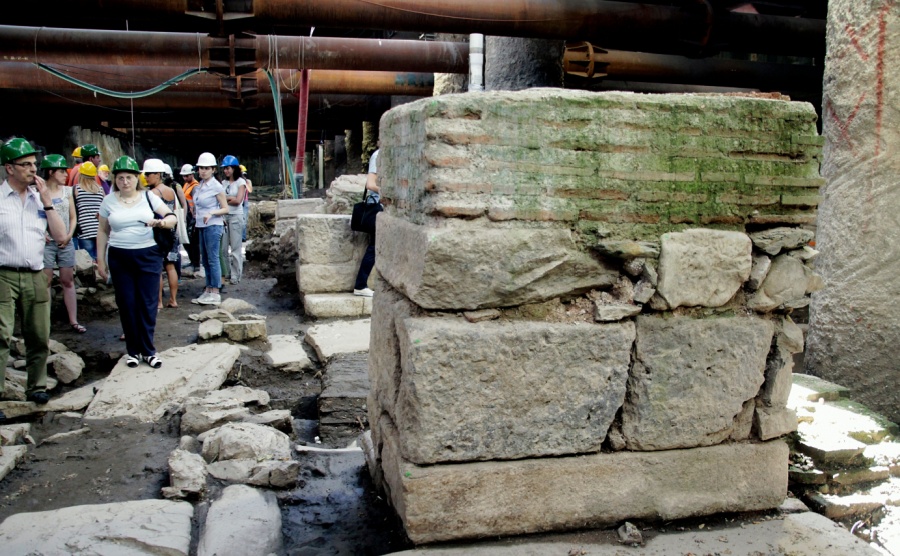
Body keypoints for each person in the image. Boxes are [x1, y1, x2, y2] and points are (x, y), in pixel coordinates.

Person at [0, 138, 68, 413]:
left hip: (37, 274)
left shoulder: (40, 199)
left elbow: (61, 236)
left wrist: (48, 203)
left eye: (34, 164)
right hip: (4, 273)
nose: (33, 169)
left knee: (39, 334)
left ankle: (37, 387)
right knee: (1, 335)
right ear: (9, 168)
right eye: (25, 164)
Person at [96, 156, 176, 369]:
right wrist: (100, 260)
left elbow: (172, 217)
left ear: (136, 179)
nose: (125, 182)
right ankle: (133, 351)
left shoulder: (148, 197)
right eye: (120, 178)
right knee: (127, 303)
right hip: (119, 256)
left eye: (129, 177)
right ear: (115, 179)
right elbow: (102, 231)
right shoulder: (108, 200)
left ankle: (149, 350)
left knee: (148, 303)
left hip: (147, 255)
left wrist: (160, 222)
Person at [40, 154, 85, 333]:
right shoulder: (39, 192)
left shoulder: (67, 191)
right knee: (46, 281)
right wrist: (42, 232)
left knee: (68, 280)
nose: (66, 174)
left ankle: (73, 320)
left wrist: (69, 235)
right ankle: (44, 322)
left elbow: (73, 217)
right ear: (51, 172)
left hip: (66, 241)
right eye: (61, 171)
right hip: (47, 243)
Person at [142, 159, 180, 309]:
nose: (145, 177)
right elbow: (174, 210)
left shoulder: (152, 193)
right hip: (171, 232)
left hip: (157, 233)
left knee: (157, 268)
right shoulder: (171, 190)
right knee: (171, 266)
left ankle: (158, 302)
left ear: (158, 174)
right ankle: (173, 299)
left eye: (148, 174)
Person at [192, 152, 229, 305]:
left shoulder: (216, 186)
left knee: (213, 258)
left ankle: (215, 291)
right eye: (201, 168)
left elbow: (225, 208)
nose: (203, 171)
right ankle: (208, 288)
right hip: (201, 225)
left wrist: (211, 212)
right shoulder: (199, 186)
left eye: (206, 168)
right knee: (205, 259)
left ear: (213, 169)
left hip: (213, 225)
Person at [353, 147, 380, 297]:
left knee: (376, 247)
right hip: (377, 208)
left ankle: (362, 284)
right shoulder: (378, 155)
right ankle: (360, 285)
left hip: (384, 208)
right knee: (375, 247)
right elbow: (370, 184)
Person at [220, 155, 246, 285]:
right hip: (224, 217)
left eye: (228, 168)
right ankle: (227, 273)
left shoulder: (241, 182)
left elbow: (238, 201)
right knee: (224, 249)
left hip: (236, 216)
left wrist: (226, 198)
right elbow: (219, 199)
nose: (226, 171)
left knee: (236, 248)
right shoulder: (223, 183)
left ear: (235, 168)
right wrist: (230, 198)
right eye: (224, 168)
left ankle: (236, 275)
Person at [72, 161, 104, 261]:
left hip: (84, 229)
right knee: (101, 259)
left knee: (88, 262)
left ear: (81, 175)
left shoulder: (76, 189)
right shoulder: (100, 190)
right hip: (100, 229)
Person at [180, 164, 201, 273]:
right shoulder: (186, 185)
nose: (185, 178)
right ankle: (192, 261)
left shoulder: (195, 186)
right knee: (187, 241)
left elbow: (196, 202)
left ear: (192, 174)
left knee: (193, 241)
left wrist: (195, 216)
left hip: (193, 217)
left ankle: (196, 263)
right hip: (187, 216)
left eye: (187, 176)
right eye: (183, 176)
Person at [240, 164, 252, 241]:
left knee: (244, 221)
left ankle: (243, 237)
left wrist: (244, 182)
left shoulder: (247, 181)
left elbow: (250, 190)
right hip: (239, 202)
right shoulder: (236, 182)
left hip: (245, 201)